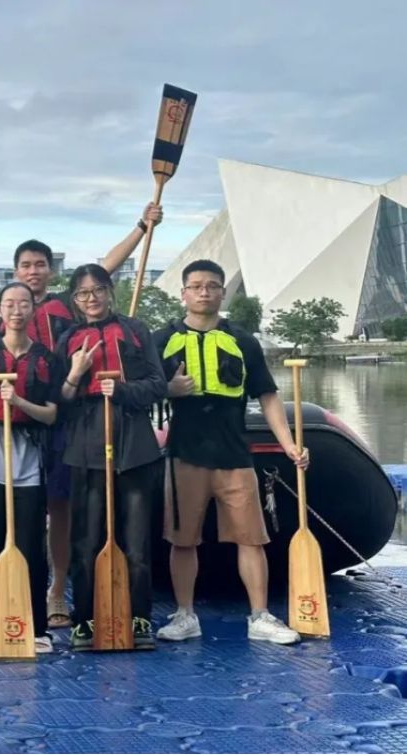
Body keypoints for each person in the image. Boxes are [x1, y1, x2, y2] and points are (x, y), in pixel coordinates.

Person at [0, 202, 163, 629]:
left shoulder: (76, 310)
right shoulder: (12, 316)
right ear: (15, 274)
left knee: (81, 514)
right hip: (47, 422)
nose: (33, 271)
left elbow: (104, 267)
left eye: (40, 265)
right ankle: (47, 600)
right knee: (49, 512)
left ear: (51, 271)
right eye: (25, 265)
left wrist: (141, 227)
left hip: (101, 430)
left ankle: (70, 596)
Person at [153, 260, 306, 645]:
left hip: (234, 453)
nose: (204, 292)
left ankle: (260, 616)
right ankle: (185, 615)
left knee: (251, 538)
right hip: (184, 452)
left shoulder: (243, 340)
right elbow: (140, 392)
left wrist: (289, 444)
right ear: (184, 293)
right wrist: (169, 389)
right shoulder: (161, 340)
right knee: (182, 540)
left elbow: (267, 396)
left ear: (223, 292)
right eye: (196, 286)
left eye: (212, 286)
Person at [54, 264, 166, 650]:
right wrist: (76, 375)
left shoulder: (136, 331)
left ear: (109, 291)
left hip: (134, 445)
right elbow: (60, 401)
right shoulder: (68, 338)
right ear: (75, 299)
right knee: (85, 541)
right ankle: (85, 619)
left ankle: (139, 617)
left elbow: (158, 385)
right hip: (85, 445)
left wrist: (121, 390)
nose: (92, 298)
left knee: (136, 543)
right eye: (84, 293)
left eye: (98, 290)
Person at [0, 282, 58, 654]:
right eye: (9, 304)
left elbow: (52, 415)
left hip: (30, 455)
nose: (16, 310)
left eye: (23, 304)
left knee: (32, 542)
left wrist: (19, 401)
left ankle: (37, 627)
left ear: (33, 309)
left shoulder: (46, 359)